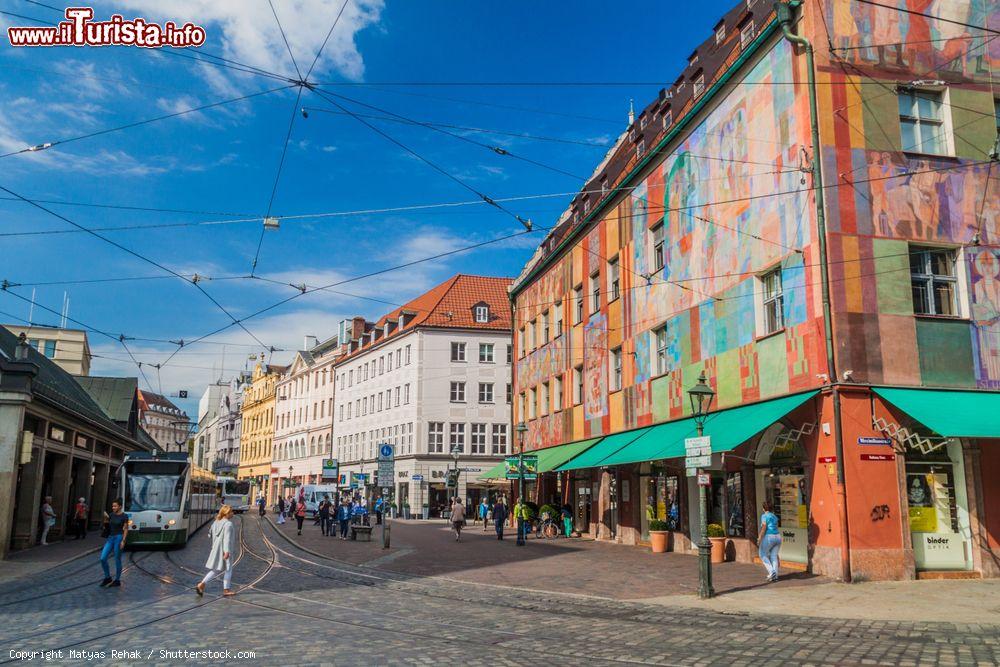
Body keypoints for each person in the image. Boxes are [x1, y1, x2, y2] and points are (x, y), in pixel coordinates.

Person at [196, 505, 235, 597]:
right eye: (231, 512)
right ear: (227, 513)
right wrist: (227, 552)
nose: (233, 513)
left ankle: (202, 584)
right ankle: (226, 590)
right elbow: (227, 539)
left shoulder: (216, 522)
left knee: (216, 569)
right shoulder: (228, 524)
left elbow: (210, 535)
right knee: (228, 569)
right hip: (225, 550)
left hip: (216, 549)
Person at [98, 500, 129, 587]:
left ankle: (117, 580)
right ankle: (107, 577)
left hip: (119, 538)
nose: (113, 508)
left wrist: (123, 540)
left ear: (120, 506)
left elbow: (126, 529)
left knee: (117, 559)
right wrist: (105, 519)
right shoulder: (111, 515)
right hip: (110, 538)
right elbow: (107, 526)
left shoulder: (124, 516)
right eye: (112, 506)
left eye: (115, 506)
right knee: (103, 558)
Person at [758, 501, 782, 583]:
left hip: (769, 537)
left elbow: (764, 527)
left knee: (762, 554)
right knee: (774, 556)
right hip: (778, 537)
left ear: (764, 508)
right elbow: (776, 527)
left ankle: (772, 572)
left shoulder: (764, 516)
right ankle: (775, 576)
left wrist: (760, 538)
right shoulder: (775, 516)